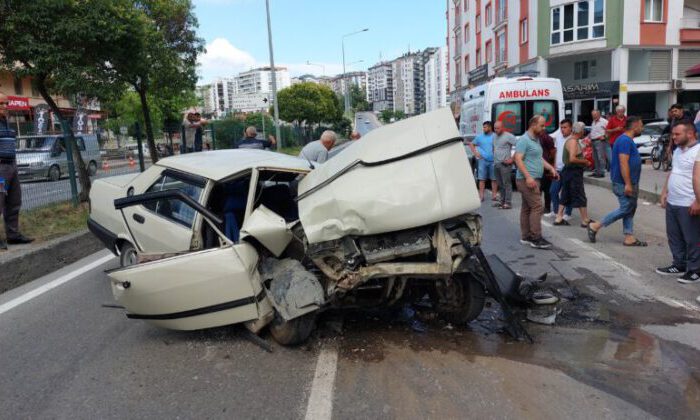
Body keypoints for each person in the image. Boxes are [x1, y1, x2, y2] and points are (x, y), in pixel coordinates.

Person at [588, 116, 646, 246]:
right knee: (626, 208)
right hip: (623, 182)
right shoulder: (625, 140)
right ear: (635, 126)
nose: (642, 128)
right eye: (641, 125)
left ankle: (629, 236)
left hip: (629, 181)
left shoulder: (627, 140)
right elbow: (623, 162)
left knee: (630, 208)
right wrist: (628, 184)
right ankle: (595, 226)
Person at [655, 122, 700, 283]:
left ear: (690, 134)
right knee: (674, 236)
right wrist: (664, 192)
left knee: (692, 238)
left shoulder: (698, 151)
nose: (673, 137)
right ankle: (679, 264)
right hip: (674, 201)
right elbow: (674, 172)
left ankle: (695, 270)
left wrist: (698, 201)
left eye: (677, 134)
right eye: (673, 134)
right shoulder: (678, 151)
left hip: (689, 202)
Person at [513, 115, 559, 250]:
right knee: (538, 206)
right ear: (533, 125)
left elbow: (539, 158)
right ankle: (536, 238)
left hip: (533, 178)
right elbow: (518, 159)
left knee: (527, 208)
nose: (544, 128)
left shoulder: (536, 140)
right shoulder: (524, 140)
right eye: (542, 125)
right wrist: (528, 177)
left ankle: (526, 236)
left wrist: (551, 168)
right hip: (527, 180)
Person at [0, 93, 34, 249]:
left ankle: (13, 235)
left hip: (12, 166)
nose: (5, 107)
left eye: (6, 104)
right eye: (1, 104)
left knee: (14, 200)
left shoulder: (7, 122)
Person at [553, 122, 593, 227]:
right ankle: (585, 220)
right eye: (583, 130)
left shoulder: (572, 140)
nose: (584, 132)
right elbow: (572, 158)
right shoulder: (573, 142)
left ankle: (559, 218)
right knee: (580, 195)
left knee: (565, 194)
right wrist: (585, 162)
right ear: (580, 131)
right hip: (573, 172)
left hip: (569, 171)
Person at [549, 119, 573, 220]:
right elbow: (556, 152)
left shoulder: (573, 139)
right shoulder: (558, 137)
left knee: (567, 192)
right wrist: (554, 166)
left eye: (565, 127)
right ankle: (555, 211)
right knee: (553, 191)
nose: (563, 130)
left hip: (568, 169)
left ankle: (567, 213)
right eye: (561, 127)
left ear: (570, 128)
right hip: (558, 169)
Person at [469, 121, 497, 202]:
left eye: (485, 127)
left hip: (493, 161)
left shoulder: (495, 136)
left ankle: (494, 196)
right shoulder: (479, 137)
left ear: (490, 127)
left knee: (494, 179)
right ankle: (481, 196)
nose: (483, 129)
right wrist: (476, 153)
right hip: (482, 161)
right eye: (483, 127)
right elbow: (471, 144)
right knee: (481, 179)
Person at [492, 121, 517, 209]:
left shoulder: (508, 136)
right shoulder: (494, 136)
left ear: (502, 127)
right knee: (500, 184)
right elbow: (494, 147)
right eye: (495, 128)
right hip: (496, 163)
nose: (496, 130)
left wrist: (512, 159)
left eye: (498, 128)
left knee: (507, 184)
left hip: (505, 164)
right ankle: (502, 201)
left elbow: (520, 146)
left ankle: (508, 202)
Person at [539, 130, 556, 216]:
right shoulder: (536, 137)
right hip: (538, 166)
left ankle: (547, 207)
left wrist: (551, 164)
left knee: (545, 188)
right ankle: (539, 207)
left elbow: (553, 151)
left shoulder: (546, 138)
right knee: (539, 188)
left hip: (546, 166)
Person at [589, 109, 609, 178]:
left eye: (595, 115)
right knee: (595, 157)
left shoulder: (604, 121)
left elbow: (609, 131)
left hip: (600, 141)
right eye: (592, 115)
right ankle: (597, 171)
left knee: (601, 157)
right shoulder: (593, 122)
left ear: (599, 114)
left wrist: (604, 136)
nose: (594, 116)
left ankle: (602, 172)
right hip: (593, 141)